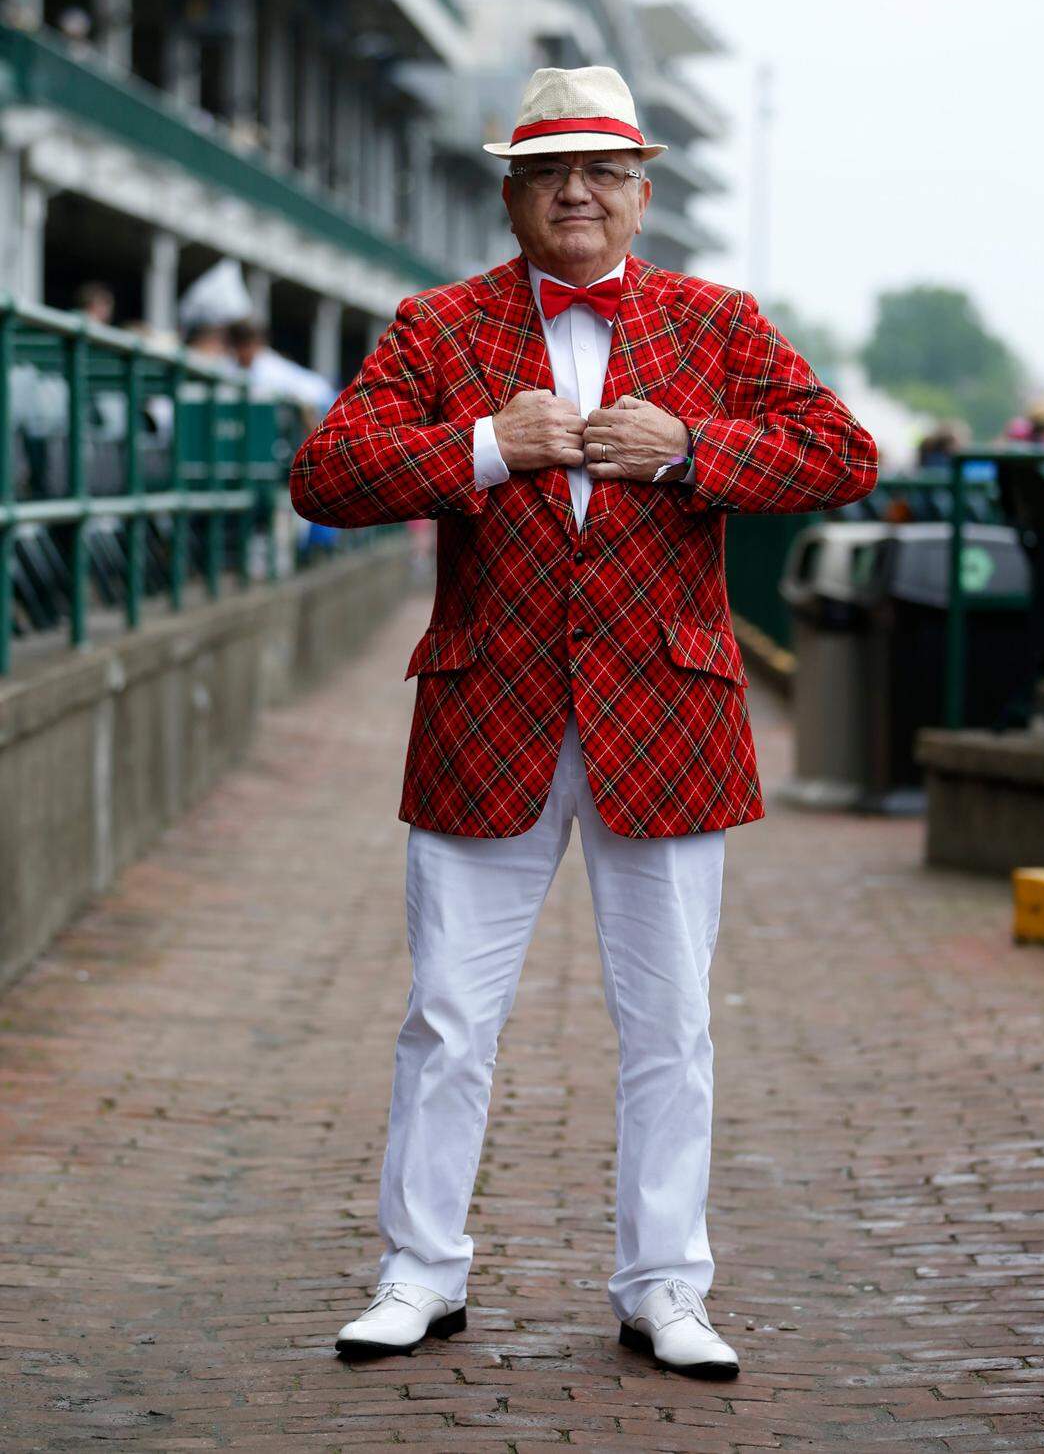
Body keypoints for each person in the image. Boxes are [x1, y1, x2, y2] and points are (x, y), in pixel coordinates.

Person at [289, 66, 878, 1380]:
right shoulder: (437, 327)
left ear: (642, 192)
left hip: (666, 721)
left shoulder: (717, 323)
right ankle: (419, 1273)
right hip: (482, 713)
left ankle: (665, 1285)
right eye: (552, 171)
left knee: (672, 1025)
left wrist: (690, 451)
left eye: (604, 171)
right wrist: (486, 448)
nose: (578, 191)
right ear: (509, 194)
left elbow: (843, 452)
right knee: (447, 1016)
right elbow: (322, 473)